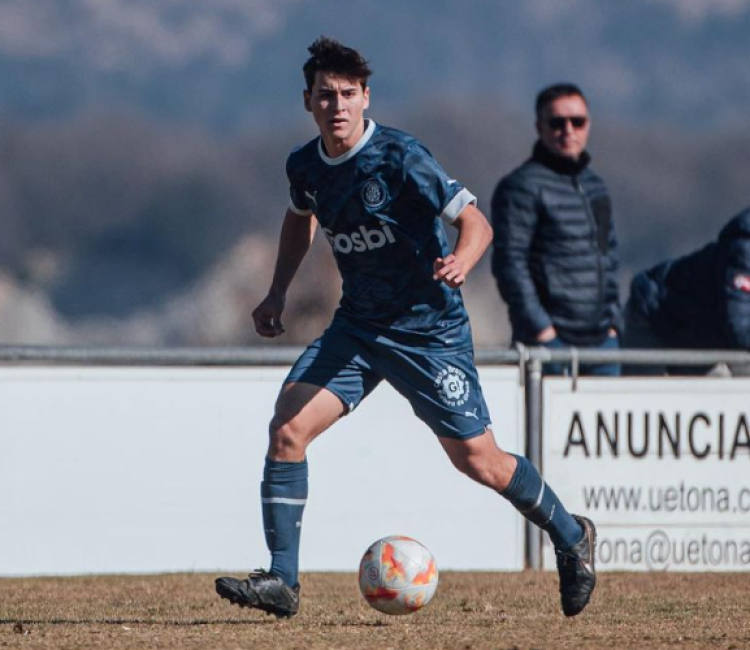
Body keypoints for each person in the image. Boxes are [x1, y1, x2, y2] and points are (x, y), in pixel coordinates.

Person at [215, 38, 597, 619]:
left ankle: (571, 537)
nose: (337, 105)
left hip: (428, 333)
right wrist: (277, 290)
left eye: (348, 94)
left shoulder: (400, 157)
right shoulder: (306, 165)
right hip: (359, 329)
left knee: (479, 461)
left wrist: (462, 261)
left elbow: (476, 224)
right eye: (326, 95)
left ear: (366, 97)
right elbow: (301, 219)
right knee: (288, 429)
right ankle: (283, 582)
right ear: (308, 102)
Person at [491, 83, 621, 376]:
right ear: (540, 127)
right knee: (545, 423)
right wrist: (541, 329)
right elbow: (509, 263)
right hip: (550, 343)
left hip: (603, 343)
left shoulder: (596, 187)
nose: (568, 130)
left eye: (578, 121)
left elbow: (609, 256)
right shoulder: (520, 187)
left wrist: (614, 323)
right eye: (557, 122)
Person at [624, 207, 750, 374]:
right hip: (654, 320)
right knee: (648, 397)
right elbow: (739, 326)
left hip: (701, 337)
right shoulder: (743, 251)